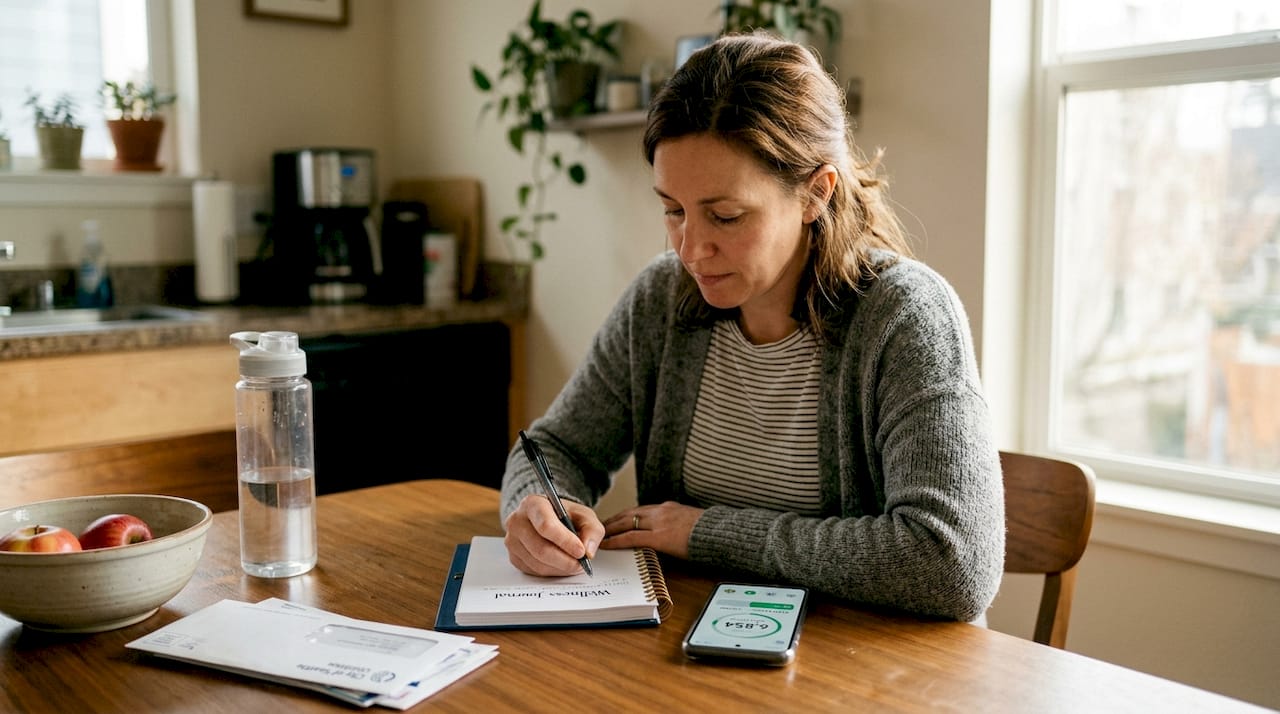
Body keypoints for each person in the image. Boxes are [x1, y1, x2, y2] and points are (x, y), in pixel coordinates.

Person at [500, 32, 1004, 622]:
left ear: (817, 192)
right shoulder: (662, 301)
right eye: (672, 209)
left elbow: (951, 564)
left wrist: (706, 533)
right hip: (692, 656)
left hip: (871, 674)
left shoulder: (904, 317)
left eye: (726, 215)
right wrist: (540, 507)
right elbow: (556, 447)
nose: (691, 248)